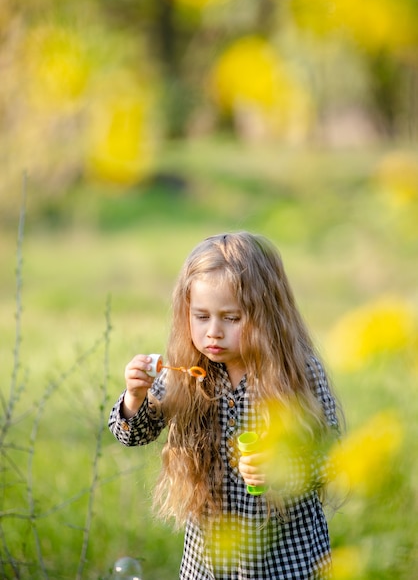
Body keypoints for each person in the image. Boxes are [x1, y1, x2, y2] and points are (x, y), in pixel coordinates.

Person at [108, 231, 343, 580]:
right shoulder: (186, 372)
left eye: (231, 318)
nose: (213, 333)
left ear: (267, 314)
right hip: (209, 559)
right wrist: (134, 398)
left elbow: (332, 458)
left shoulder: (297, 373)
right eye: (201, 317)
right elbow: (132, 434)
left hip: (285, 558)